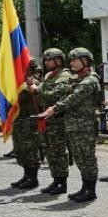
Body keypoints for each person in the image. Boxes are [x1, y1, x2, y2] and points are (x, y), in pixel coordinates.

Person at [40, 47, 101, 203]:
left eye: (74, 59)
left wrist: (54, 109)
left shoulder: (90, 80)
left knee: (86, 158)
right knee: (79, 158)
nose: (71, 63)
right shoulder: (78, 78)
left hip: (84, 126)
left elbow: (74, 98)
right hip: (74, 125)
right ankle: (84, 187)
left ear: (85, 61)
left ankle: (90, 190)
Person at [33, 48, 73, 195]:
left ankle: (62, 182)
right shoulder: (49, 76)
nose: (46, 62)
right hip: (47, 119)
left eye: (49, 59)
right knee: (49, 151)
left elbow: (55, 95)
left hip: (57, 120)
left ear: (58, 60)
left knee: (59, 151)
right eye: (45, 60)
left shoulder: (64, 75)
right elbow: (43, 95)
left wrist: (37, 92)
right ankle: (55, 179)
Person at [10, 60, 43, 189]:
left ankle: (33, 178)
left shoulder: (34, 83)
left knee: (30, 150)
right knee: (20, 150)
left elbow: (20, 95)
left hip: (30, 121)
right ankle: (26, 175)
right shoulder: (20, 83)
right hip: (20, 121)